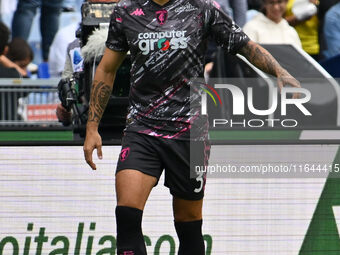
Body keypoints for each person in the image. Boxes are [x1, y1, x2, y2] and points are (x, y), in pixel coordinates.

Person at [83, 0, 300, 254]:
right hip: (141, 128)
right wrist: (91, 127)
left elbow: (243, 45)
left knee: (188, 225)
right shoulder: (126, 11)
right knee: (127, 214)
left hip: (190, 131)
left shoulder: (204, 8)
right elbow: (107, 69)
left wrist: (280, 71)